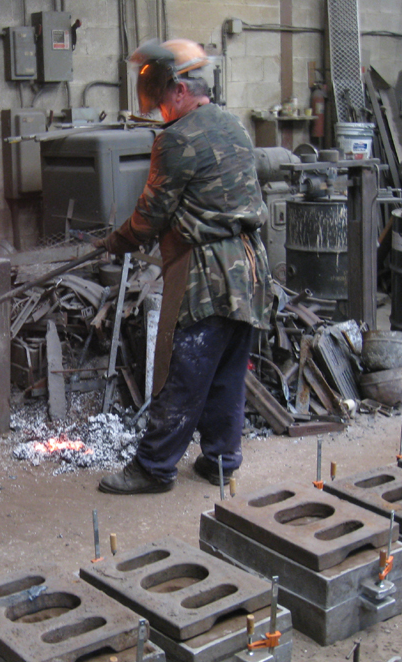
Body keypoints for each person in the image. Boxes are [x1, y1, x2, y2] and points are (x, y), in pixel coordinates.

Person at [96, 39, 274, 495]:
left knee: (185, 370)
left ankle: (153, 467)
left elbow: (150, 215)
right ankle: (220, 461)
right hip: (251, 270)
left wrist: (117, 241)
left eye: (161, 100)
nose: (158, 111)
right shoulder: (232, 124)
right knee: (228, 372)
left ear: (178, 90)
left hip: (208, 274)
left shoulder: (177, 139)